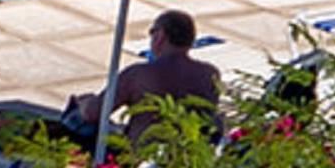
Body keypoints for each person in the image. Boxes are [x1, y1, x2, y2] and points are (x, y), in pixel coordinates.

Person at [63, 11, 224, 148]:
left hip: (142, 160)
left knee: (74, 119)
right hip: (189, 159)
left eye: (152, 32)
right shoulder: (209, 75)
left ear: (160, 36)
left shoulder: (139, 75)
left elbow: (94, 113)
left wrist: (83, 102)